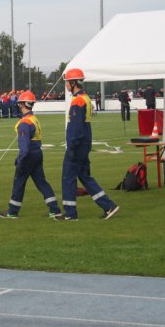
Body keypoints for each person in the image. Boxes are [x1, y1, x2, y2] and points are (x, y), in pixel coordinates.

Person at [56, 68, 119, 221]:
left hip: (77, 145)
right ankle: (108, 206)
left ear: (73, 83)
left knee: (68, 177)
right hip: (84, 143)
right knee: (85, 177)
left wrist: (72, 146)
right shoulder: (85, 98)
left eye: (67, 82)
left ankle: (70, 213)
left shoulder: (78, 101)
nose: (66, 85)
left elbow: (76, 127)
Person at [0, 92, 61, 219]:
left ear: (22, 104)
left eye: (19, 104)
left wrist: (20, 160)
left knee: (19, 183)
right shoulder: (34, 119)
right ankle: (54, 209)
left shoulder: (25, 123)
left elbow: (24, 148)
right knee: (42, 183)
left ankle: (12, 211)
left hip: (28, 156)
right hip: (37, 154)